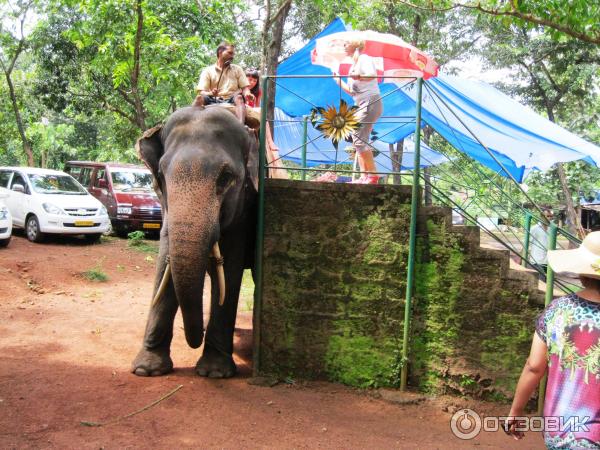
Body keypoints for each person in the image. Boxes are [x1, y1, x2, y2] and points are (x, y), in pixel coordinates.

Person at [505, 231, 600, 448]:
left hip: (561, 431)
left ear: (581, 272)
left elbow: (534, 367)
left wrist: (516, 411)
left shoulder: (557, 311)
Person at [332, 39, 383, 184]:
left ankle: (372, 175)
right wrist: (338, 80)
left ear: (355, 45)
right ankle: (364, 176)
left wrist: (359, 76)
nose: (344, 46)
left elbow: (372, 75)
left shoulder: (364, 58)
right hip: (361, 103)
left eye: (346, 44)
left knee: (358, 137)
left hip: (370, 102)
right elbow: (352, 92)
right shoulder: (353, 65)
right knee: (358, 139)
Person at [192, 42, 254, 120]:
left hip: (232, 99)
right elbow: (201, 92)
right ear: (220, 52)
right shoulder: (207, 71)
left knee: (239, 97)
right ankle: (190, 123)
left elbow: (245, 88)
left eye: (233, 54)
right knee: (199, 98)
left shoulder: (237, 69)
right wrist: (211, 93)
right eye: (230, 53)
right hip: (213, 99)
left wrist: (247, 94)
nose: (232, 56)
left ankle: (241, 126)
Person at [529, 209, 554, 281]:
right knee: (541, 281)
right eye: (548, 216)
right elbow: (527, 243)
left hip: (548, 261)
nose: (549, 218)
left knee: (547, 282)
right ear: (541, 217)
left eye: (551, 216)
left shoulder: (552, 229)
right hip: (537, 261)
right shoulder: (534, 229)